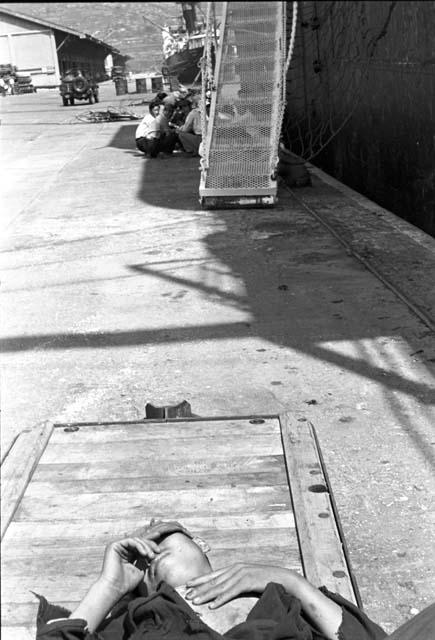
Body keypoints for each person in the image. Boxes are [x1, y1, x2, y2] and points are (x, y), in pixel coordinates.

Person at [34, 518, 434, 640]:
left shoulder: (279, 603)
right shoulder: (135, 620)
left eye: (162, 533)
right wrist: (108, 588)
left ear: (201, 544)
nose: (150, 548)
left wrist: (289, 580)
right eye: (143, 552)